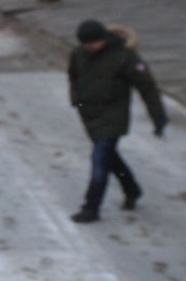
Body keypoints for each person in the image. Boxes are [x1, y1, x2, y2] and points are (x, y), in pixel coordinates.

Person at [68, 19, 167, 224]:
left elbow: (147, 87)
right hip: (90, 115)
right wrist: (76, 101)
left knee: (99, 160)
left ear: (103, 39)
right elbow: (74, 76)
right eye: (85, 44)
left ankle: (91, 208)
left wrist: (158, 117)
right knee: (109, 158)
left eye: (93, 43)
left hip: (113, 116)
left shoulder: (124, 56)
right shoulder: (79, 53)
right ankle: (132, 190)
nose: (89, 47)